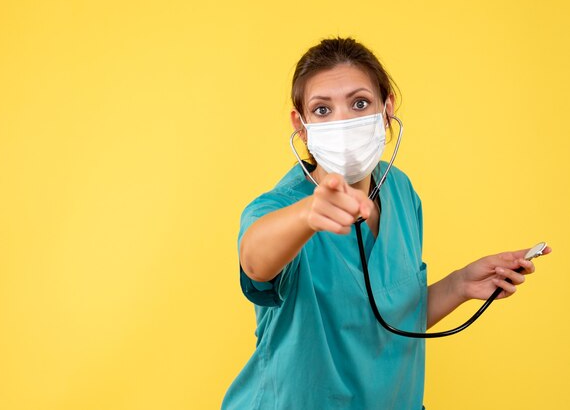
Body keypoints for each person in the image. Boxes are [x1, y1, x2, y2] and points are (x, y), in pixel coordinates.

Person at [221, 37, 551, 410]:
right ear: (301, 125)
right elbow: (255, 259)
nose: (343, 122)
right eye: (322, 110)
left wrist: (460, 284)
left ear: (386, 109)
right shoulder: (281, 207)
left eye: (359, 103)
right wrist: (306, 216)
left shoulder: (400, 189)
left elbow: (389, 318)